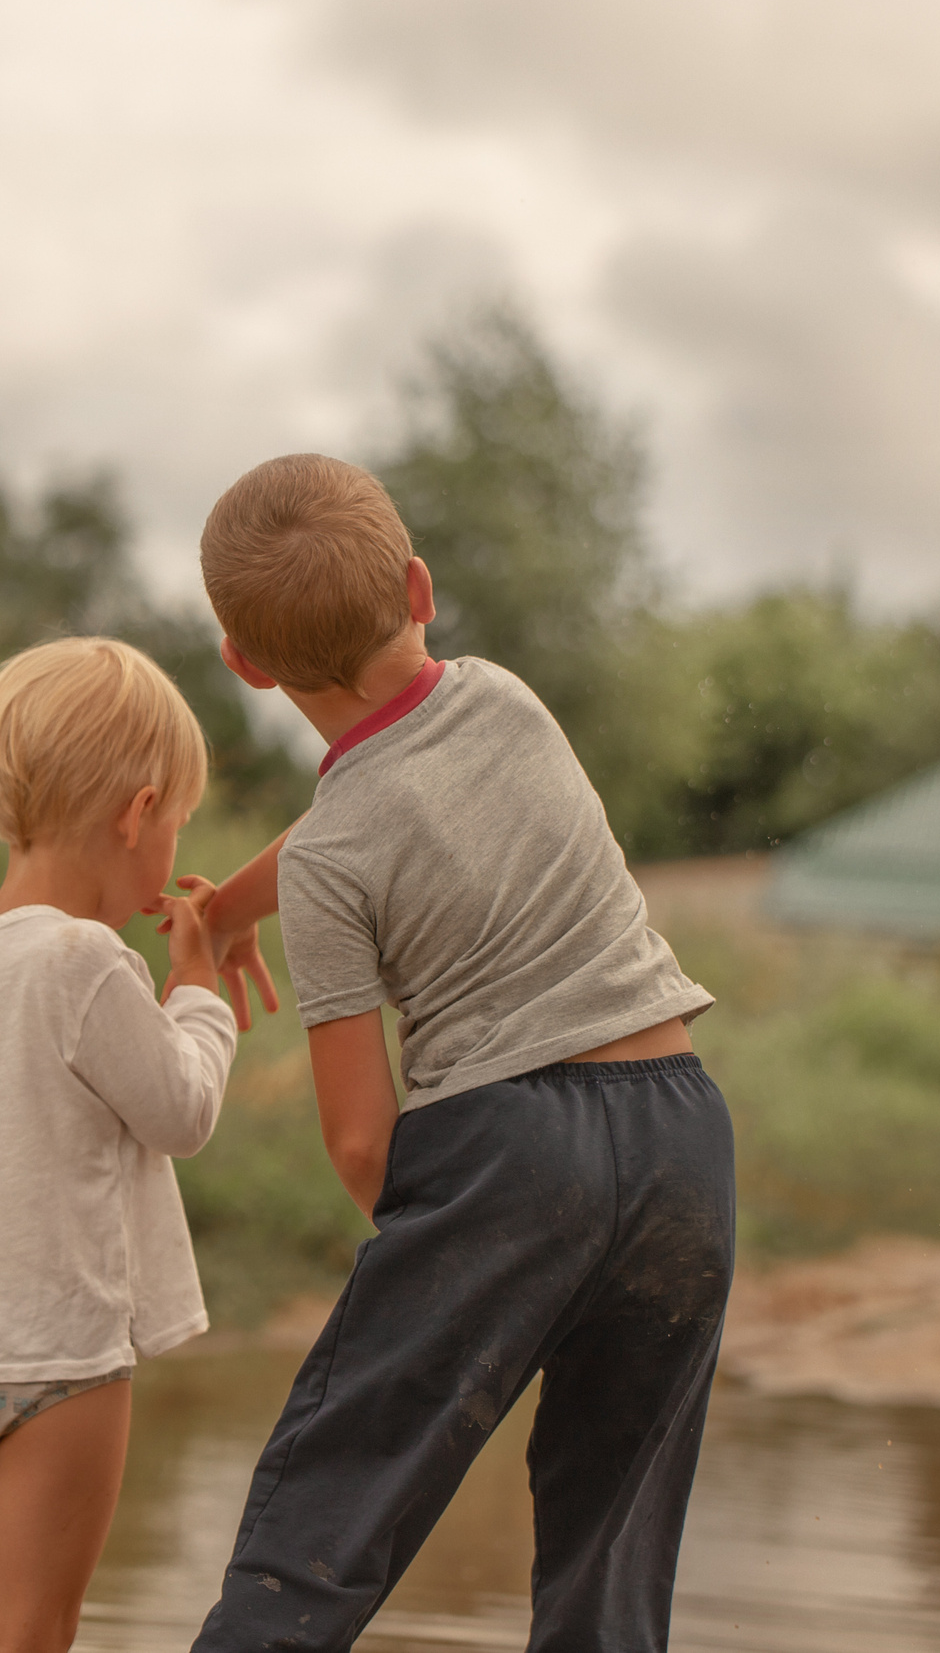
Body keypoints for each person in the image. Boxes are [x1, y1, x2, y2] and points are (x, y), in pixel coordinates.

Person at [187, 454, 734, 1653]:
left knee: (327, 1517)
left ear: (246, 664)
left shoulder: (333, 867)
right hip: (681, 1131)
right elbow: (392, 774)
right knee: (610, 1557)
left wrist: (453, 1255)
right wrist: (232, 905)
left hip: (506, 1150)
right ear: (420, 588)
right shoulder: (503, 697)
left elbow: (356, 1137)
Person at [0, 636, 239, 1653]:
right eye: (180, 823)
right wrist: (200, 990)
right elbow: (181, 1110)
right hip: (62, 1362)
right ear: (138, 812)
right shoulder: (86, 960)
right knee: (34, 1627)